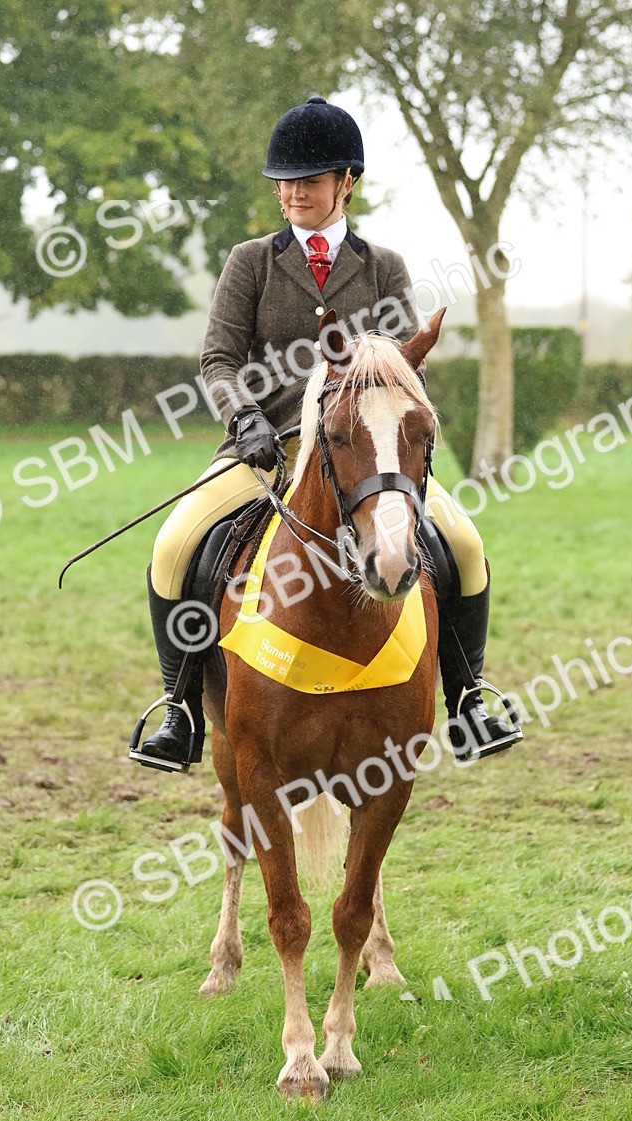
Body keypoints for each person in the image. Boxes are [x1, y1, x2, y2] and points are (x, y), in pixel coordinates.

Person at [131, 95, 520, 771]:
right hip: (264, 450)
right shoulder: (251, 261)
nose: (292, 194)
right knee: (173, 546)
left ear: (346, 183)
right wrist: (243, 418)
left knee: (463, 544)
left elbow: (404, 369)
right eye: (283, 183)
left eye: (308, 181)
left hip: (363, 457)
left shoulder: (384, 266)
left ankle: (468, 699)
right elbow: (219, 359)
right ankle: (180, 709)